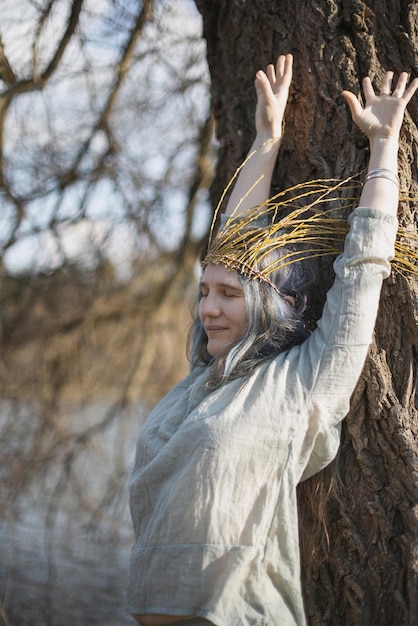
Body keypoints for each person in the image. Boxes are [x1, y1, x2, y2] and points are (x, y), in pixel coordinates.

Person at [127, 54, 418, 626]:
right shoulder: (203, 381)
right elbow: (234, 243)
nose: (208, 307)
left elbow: (362, 267)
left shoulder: (300, 384)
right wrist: (267, 138)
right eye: (205, 291)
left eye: (229, 296)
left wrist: (384, 146)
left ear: (266, 307)